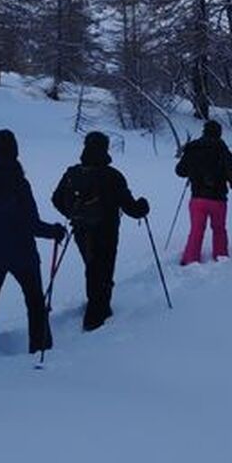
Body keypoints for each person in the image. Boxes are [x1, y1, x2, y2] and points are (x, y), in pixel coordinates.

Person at [0, 130, 68, 366]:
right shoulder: (19, 182)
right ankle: (39, 350)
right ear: (15, 152)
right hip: (22, 253)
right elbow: (32, 223)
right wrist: (55, 231)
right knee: (36, 303)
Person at [51, 131, 149, 332]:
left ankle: (96, 305)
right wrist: (143, 207)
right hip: (106, 230)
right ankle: (97, 315)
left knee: (92, 266)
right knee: (103, 269)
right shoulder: (112, 176)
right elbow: (130, 207)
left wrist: (72, 214)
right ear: (105, 148)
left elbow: (56, 199)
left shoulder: (72, 173)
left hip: (80, 229)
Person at [175, 119, 232, 265]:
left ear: (204, 131)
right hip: (218, 199)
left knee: (196, 230)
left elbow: (180, 171)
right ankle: (221, 256)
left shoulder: (192, 148)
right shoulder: (222, 149)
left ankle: (191, 258)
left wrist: (193, 171)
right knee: (219, 229)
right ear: (219, 133)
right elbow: (231, 176)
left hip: (197, 198)